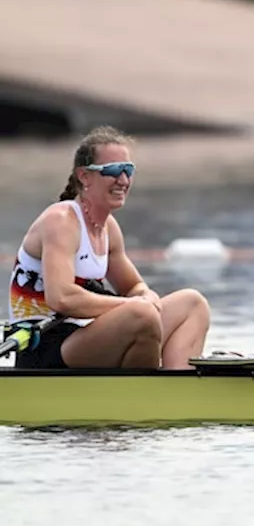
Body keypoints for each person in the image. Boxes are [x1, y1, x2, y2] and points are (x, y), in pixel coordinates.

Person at [6, 126, 211, 370]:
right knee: (141, 316)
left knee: (193, 304)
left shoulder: (109, 228)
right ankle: (143, 397)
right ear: (84, 176)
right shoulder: (60, 222)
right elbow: (61, 298)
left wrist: (146, 296)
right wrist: (132, 306)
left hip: (86, 336)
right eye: (113, 171)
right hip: (44, 346)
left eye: (128, 170)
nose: (123, 180)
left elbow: (133, 286)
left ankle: (179, 389)